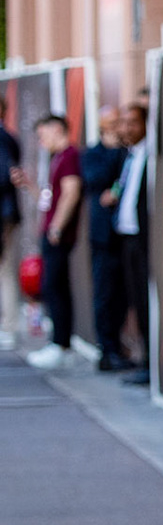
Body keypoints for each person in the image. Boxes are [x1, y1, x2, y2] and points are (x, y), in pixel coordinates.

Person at [19, 116, 83, 371]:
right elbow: (49, 200)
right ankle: (59, 343)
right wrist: (29, 186)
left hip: (57, 235)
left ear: (57, 129)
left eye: (43, 134)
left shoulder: (69, 156)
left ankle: (61, 344)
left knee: (54, 287)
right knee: (54, 286)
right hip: (52, 232)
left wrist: (57, 226)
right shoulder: (57, 158)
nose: (41, 141)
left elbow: (71, 192)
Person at [103, 104, 153, 385]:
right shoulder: (127, 156)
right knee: (134, 300)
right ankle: (144, 359)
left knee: (146, 301)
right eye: (122, 122)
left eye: (133, 122)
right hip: (125, 237)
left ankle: (150, 364)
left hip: (145, 239)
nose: (126, 128)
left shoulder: (151, 155)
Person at [81, 108, 131, 372]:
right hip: (103, 236)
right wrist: (112, 152)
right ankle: (107, 349)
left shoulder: (127, 152)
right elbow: (94, 179)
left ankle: (118, 346)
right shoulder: (95, 154)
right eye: (112, 123)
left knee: (123, 294)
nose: (118, 127)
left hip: (125, 234)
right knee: (105, 293)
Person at [0, 100, 22, 352]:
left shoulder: (2, 137)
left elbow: (6, 174)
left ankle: (9, 326)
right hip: (6, 213)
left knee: (5, 271)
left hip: (3, 215)